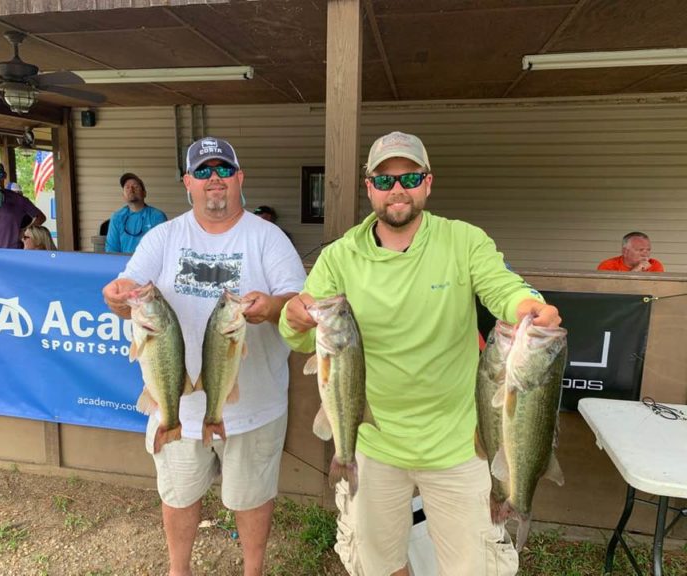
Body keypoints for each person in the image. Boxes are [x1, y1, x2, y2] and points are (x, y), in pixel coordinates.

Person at [280, 131, 561, 576]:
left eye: (409, 177)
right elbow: (298, 332)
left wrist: (530, 307)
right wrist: (293, 318)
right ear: (369, 187)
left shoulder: (463, 240)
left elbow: (503, 288)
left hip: (457, 445)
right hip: (372, 443)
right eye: (384, 179)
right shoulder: (339, 256)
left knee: (472, 568)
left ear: (428, 183)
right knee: (379, 564)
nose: (397, 189)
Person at [102, 136, 306, 576]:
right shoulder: (163, 236)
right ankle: (179, 570)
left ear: (240, 178)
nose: (215, 178)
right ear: (188, 182)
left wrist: (272, 307)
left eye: (224, 169)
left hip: (256, 406)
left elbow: (295, 301)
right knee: (178, 495)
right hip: (178, 405)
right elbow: (129, 288)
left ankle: (253, 571)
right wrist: (118, 296)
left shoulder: (268, 238)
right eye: (204, 171)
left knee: (252, 499)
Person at [104, 173, 167, 253]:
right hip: (123, 261)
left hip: (148, 261)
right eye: (127, 187)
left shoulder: (157, 216)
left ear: (144, 193)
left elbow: (162, 249)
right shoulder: (117, 217)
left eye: (136, 186)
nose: (131, 189)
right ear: (123, 195)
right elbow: (111, 250)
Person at [597, 231, 664, 272]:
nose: (645, 254)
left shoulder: (654, 264)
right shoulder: (608, 265)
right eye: (640, 250)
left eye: (648, 250)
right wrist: (635, 271)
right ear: (625, 251)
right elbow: (607, 289)